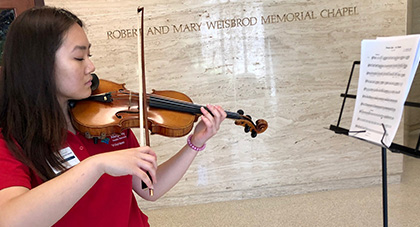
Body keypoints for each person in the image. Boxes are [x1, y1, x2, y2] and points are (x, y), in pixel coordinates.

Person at [0, 6, 226, 227]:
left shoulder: (107, 119)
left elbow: (149, 189)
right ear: (40, 65)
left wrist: (194, 143)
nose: (91, 66)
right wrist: (95, 165)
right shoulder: (11, 139)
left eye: (89, 55)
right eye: (79, 58)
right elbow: (10, 219)